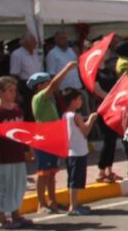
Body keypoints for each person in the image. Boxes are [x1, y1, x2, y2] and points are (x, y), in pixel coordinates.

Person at [29, 62, 77, 213]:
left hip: (53, 137)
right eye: (46, 82)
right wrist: (67, 69)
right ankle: (41, 203)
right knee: (43, 173)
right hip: (43, 138)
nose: (50, 84)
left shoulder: (49, 99)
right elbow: (56, 84)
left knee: (52, 171)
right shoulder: (39, 97)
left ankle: (52, 200)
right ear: (38, 86)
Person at [0, 76, 31, 229]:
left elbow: (22, 131)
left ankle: (16, 213)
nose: (13, 94)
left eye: (14, 90)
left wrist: (28, 148)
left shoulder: (17, 109)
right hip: (3, 155)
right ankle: (1, 218)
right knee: (3, 186)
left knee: (19, 184)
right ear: (0, 92)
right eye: (10, 91)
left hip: (17, 152)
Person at [62, 88, 98, 216]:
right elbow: (85, 131)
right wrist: (91, 119)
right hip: (77, 151)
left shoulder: (65, 115)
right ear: (73, 101)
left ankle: (74, 203)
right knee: (75, 180)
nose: (81, 101)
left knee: (73, 179)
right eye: (79, 99)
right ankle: (73, 206)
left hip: (70, 150)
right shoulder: (75, 116)